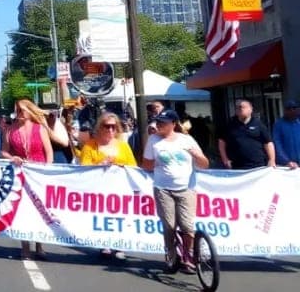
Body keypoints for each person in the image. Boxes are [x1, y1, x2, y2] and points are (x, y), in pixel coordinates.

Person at [142, 109, 209, 273]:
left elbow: (204, 164)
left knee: (187, 226)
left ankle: (188, 255)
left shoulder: (187, 140)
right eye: (157, 122)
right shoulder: (153, 140)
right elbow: (146, 165)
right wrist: (154, 162)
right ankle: (171, 254)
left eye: (163, 123)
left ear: (173, 124)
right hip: (163, 189)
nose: (159, 125)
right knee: (170, 225)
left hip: (186, 189)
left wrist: (196, 155)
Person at [77, 112, 137, 259]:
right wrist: (99, 165)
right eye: (107, 126)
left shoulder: (123, 146)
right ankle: (105, 243)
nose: (110, 130)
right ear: (100, 127)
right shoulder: (90, 145)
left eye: (114, 127)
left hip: (120, 188)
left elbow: (133, 166)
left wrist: (121, 166)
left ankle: (120, 244)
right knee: (103, 216)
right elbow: (83, 168)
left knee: (121, 216)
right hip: (99, 189)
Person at [1, 99, 53, 261]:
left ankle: (39, 245)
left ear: (30, 111)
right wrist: (12, 157)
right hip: (20, 173)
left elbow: (49, 152)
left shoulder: (40, 129)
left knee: (39, 209)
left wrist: (47, 168)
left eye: (22, 111)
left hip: (38, 173)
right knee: (23, 210)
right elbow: (3, 151)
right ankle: (25, 247)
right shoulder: (10, 130)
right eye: (17, 111)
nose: (19, 114)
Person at [218, 98, 276, 169]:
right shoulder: (229, 125)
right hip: (237, 167)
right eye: (238, 107)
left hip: (258, 166)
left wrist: (272, 160)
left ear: (251, 109)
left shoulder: (259, 124)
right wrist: (225, 159)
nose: (240, 109)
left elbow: (268, 143)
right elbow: (221, 142)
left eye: (243, 107)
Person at [272, 100, 300, 168]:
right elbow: (277, 144)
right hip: (287, 165)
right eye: (289, 109)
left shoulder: (298, 123)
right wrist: (286, 161)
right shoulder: (278, 124)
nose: (292, 110)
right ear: (285, 110)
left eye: (294, 108)